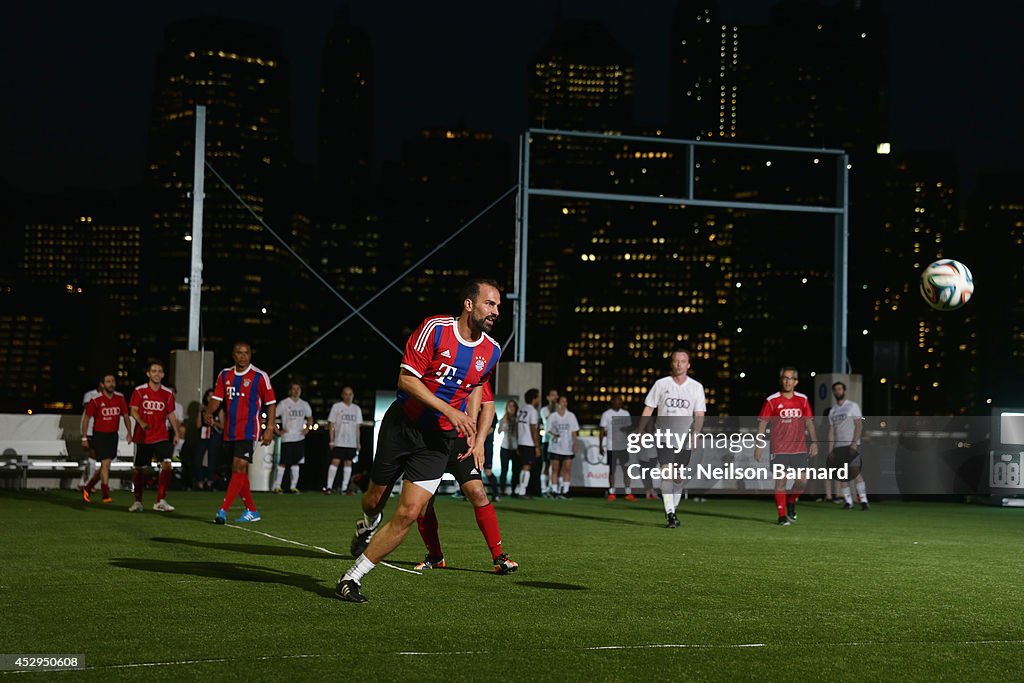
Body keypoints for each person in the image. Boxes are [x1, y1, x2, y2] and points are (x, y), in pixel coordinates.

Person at [337, 279, 516, 602]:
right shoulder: (435, 329)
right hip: (402, 426)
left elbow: (478, 387)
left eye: (498, 306)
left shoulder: (491, 349)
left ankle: (352, 577)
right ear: (469, 304)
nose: (496, 311)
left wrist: (472, 426)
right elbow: (406, 380)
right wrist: (451, 410)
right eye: (490, 304)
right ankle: (369, 522)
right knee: (374, 499)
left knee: (409, 512)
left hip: (438, 440)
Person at [205, 342, 277, 524]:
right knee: (239, 471)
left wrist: (269, 428)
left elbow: (271, 403)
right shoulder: (225, 375)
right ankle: (252, 510)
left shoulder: (260, 376)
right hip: (230, 430)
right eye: (239, 353)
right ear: (233, 355)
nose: (242, 356)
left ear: (250, 355)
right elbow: (216, 399)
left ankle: (223, 510)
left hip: (249, 430)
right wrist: (208, 412)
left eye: (246, 353)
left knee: (238, 465)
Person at [637, 348, 707, 528]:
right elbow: (649, 408)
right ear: (671, 363)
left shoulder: (696, 387)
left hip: (684, 438)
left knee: (678, 477)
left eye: (683, 361)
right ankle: (670, 514)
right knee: (666, 474)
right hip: (664, 436)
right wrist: (640, 429)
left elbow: (699, 414)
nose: (679, 364)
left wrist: (696, 435)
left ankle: (673, 509)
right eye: (676, 361)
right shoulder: (661, 384)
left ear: (688, 365)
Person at [753, 367, 818, 526]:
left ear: (796, 382)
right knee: (780, 483)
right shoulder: (772, 400)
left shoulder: (802, 399)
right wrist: (759, 444)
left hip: (799, 448)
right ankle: (782, 516)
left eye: (791, 378)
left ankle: (791, 500)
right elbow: (763, 422)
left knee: (802, 481)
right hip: (779, 448)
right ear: (781, 380)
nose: (787, 381)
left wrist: (815, 442)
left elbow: (809, 421)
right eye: (785, 378)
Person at [128, 362, 182, 512]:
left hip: (161, 435)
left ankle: (160, 500)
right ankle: (138, 501)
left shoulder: (167, 394)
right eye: (154, 371)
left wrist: (177, 433)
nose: (157, 374)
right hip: (142, 436)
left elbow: (170, 414)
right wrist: (142, 422)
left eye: (159, 371)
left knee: (167, 464)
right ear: (148, 374)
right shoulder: (139, 391)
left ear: (163, 375)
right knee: (139, 469)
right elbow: (133, 410)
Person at [80, 374, 131, 503]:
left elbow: (125, 416)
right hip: (99, 434)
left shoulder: (120, 398)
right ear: (102, 384)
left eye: (113, 381)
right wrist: (84, 437)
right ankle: (105, 494)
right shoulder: (96, 400)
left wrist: (129, 432)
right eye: (108, 381)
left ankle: (88, 487)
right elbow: (87, 418)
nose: (111, 384)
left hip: (113, 435)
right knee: (105, 463)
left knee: (106, 465)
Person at [827, 381, 869, 510]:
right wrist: (830, 450)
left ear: (844, 391)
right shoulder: (833, 411)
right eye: (836, 390)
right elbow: (832, 431)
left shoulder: (852, 406)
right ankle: (848, 502)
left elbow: (859, 424)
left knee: (855, 472)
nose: (838, 391)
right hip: (839, 447)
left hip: (851, 444)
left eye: (840, 389)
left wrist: (854, 443)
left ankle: (863, 501)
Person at [274, 382, 313, 494]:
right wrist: (278, 431)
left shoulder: (304, 404)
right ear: (290, 390)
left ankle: (293, 487)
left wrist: (307, 429)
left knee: (296, 463)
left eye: (298, 389)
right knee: (283, 462)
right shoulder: (284, 403)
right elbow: (273, 416)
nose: (296, 391)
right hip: (287, 437)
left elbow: (310, 417)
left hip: (299, 437)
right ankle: (277, 486)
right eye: (294, 389)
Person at [326, 386, 362, 494]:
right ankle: (329, 487)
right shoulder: (337, 407)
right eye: (346, 394)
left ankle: (344, 488)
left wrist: (358, 443)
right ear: (342, 395)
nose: (348, 396)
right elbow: (331, 424)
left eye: (350, 394)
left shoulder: (356, 409)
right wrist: (331, 440)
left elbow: (357, 428)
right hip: (339, 440)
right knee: (335, 461)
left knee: (348, 463)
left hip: (351, 442)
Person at [600, 394, 635, 501]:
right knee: (612, 470)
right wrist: (600, 445)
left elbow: (630, 428)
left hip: (623, 446)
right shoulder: (606, 414)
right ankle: (611, 492)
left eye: (620, 400)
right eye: (616, 400)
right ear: (612, 402)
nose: (618, 402)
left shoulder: (625, 413)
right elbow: (601, 430)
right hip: (611, 446)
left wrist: (627, 429)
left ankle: (628, 493)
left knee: (626, 469)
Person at [546, 396, 579, 498]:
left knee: (567, 469)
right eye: (562, 401)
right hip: (555, 446)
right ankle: (554, 490)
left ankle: (565, 490)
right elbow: (548, 430)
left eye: (565, 401)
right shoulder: (553, 416)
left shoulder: (571, 416)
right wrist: (554, 435)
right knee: (555, 469)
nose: (564, 403)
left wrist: (575, 443)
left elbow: (574, 431)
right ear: (558, 403)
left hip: (567, 446)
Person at [515, 389, 541, 497]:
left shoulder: (521, 409)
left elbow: (517, 427)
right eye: (538, 397)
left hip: (521, 441)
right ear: (534, 399)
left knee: (523, 466)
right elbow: (533, 428)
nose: (539, 399)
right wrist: (537, 446)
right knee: (527, 467)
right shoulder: (533, 411)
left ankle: (519, 489)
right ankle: (522, 490)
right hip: (528, 442)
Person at [194, 389, 222, 490]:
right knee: (197, 459)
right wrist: (199, 412)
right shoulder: (203, 410)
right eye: (208, 396)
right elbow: (198, 425)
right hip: (203, 434)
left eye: (212, 396)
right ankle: (200, 480)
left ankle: (210, 481)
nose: (210, 398)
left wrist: (213, 422)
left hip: (214, 434)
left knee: (212, 459)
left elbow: (222, 425)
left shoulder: (219, 409)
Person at [78, 379, 103, 491]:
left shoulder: (107, 396)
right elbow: (89, 407)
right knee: (92, 455)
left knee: (93, 456)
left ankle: (83, 483)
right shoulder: (90, 394)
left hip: (99, 429)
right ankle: (88, 484)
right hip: (88, 429)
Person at [536, 388, 559, 497]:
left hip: (558, 442)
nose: (555, 398)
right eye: (553, 395)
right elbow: (549, 420)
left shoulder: (560, 409)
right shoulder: (544, 410)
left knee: (555, 466)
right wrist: (554, 407)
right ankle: (543, 488)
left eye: (556, 395)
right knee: (546, 464)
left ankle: (552, 487)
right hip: (547, 440)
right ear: (548, 397)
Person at [496, 399, 518, 497]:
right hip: (505, 447)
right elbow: (499, 431)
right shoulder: (504, 419)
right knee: (504, 469)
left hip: (515, 447)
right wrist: (504, 420)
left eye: (513, 406)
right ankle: (502, 490)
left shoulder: (518, 419)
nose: (511, 408)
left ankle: (514, 490)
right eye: (510, 406)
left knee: (515, 470)